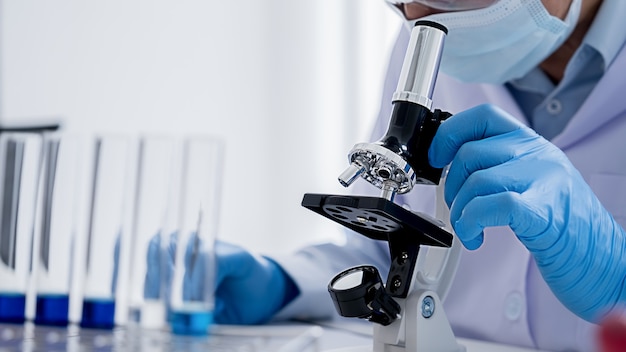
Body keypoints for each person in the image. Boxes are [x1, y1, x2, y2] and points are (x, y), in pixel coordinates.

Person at [202, 0, 626, 350]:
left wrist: (619, 285)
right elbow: (389, 253)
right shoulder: (429, 43)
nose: (414, 13)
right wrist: (284, 283)